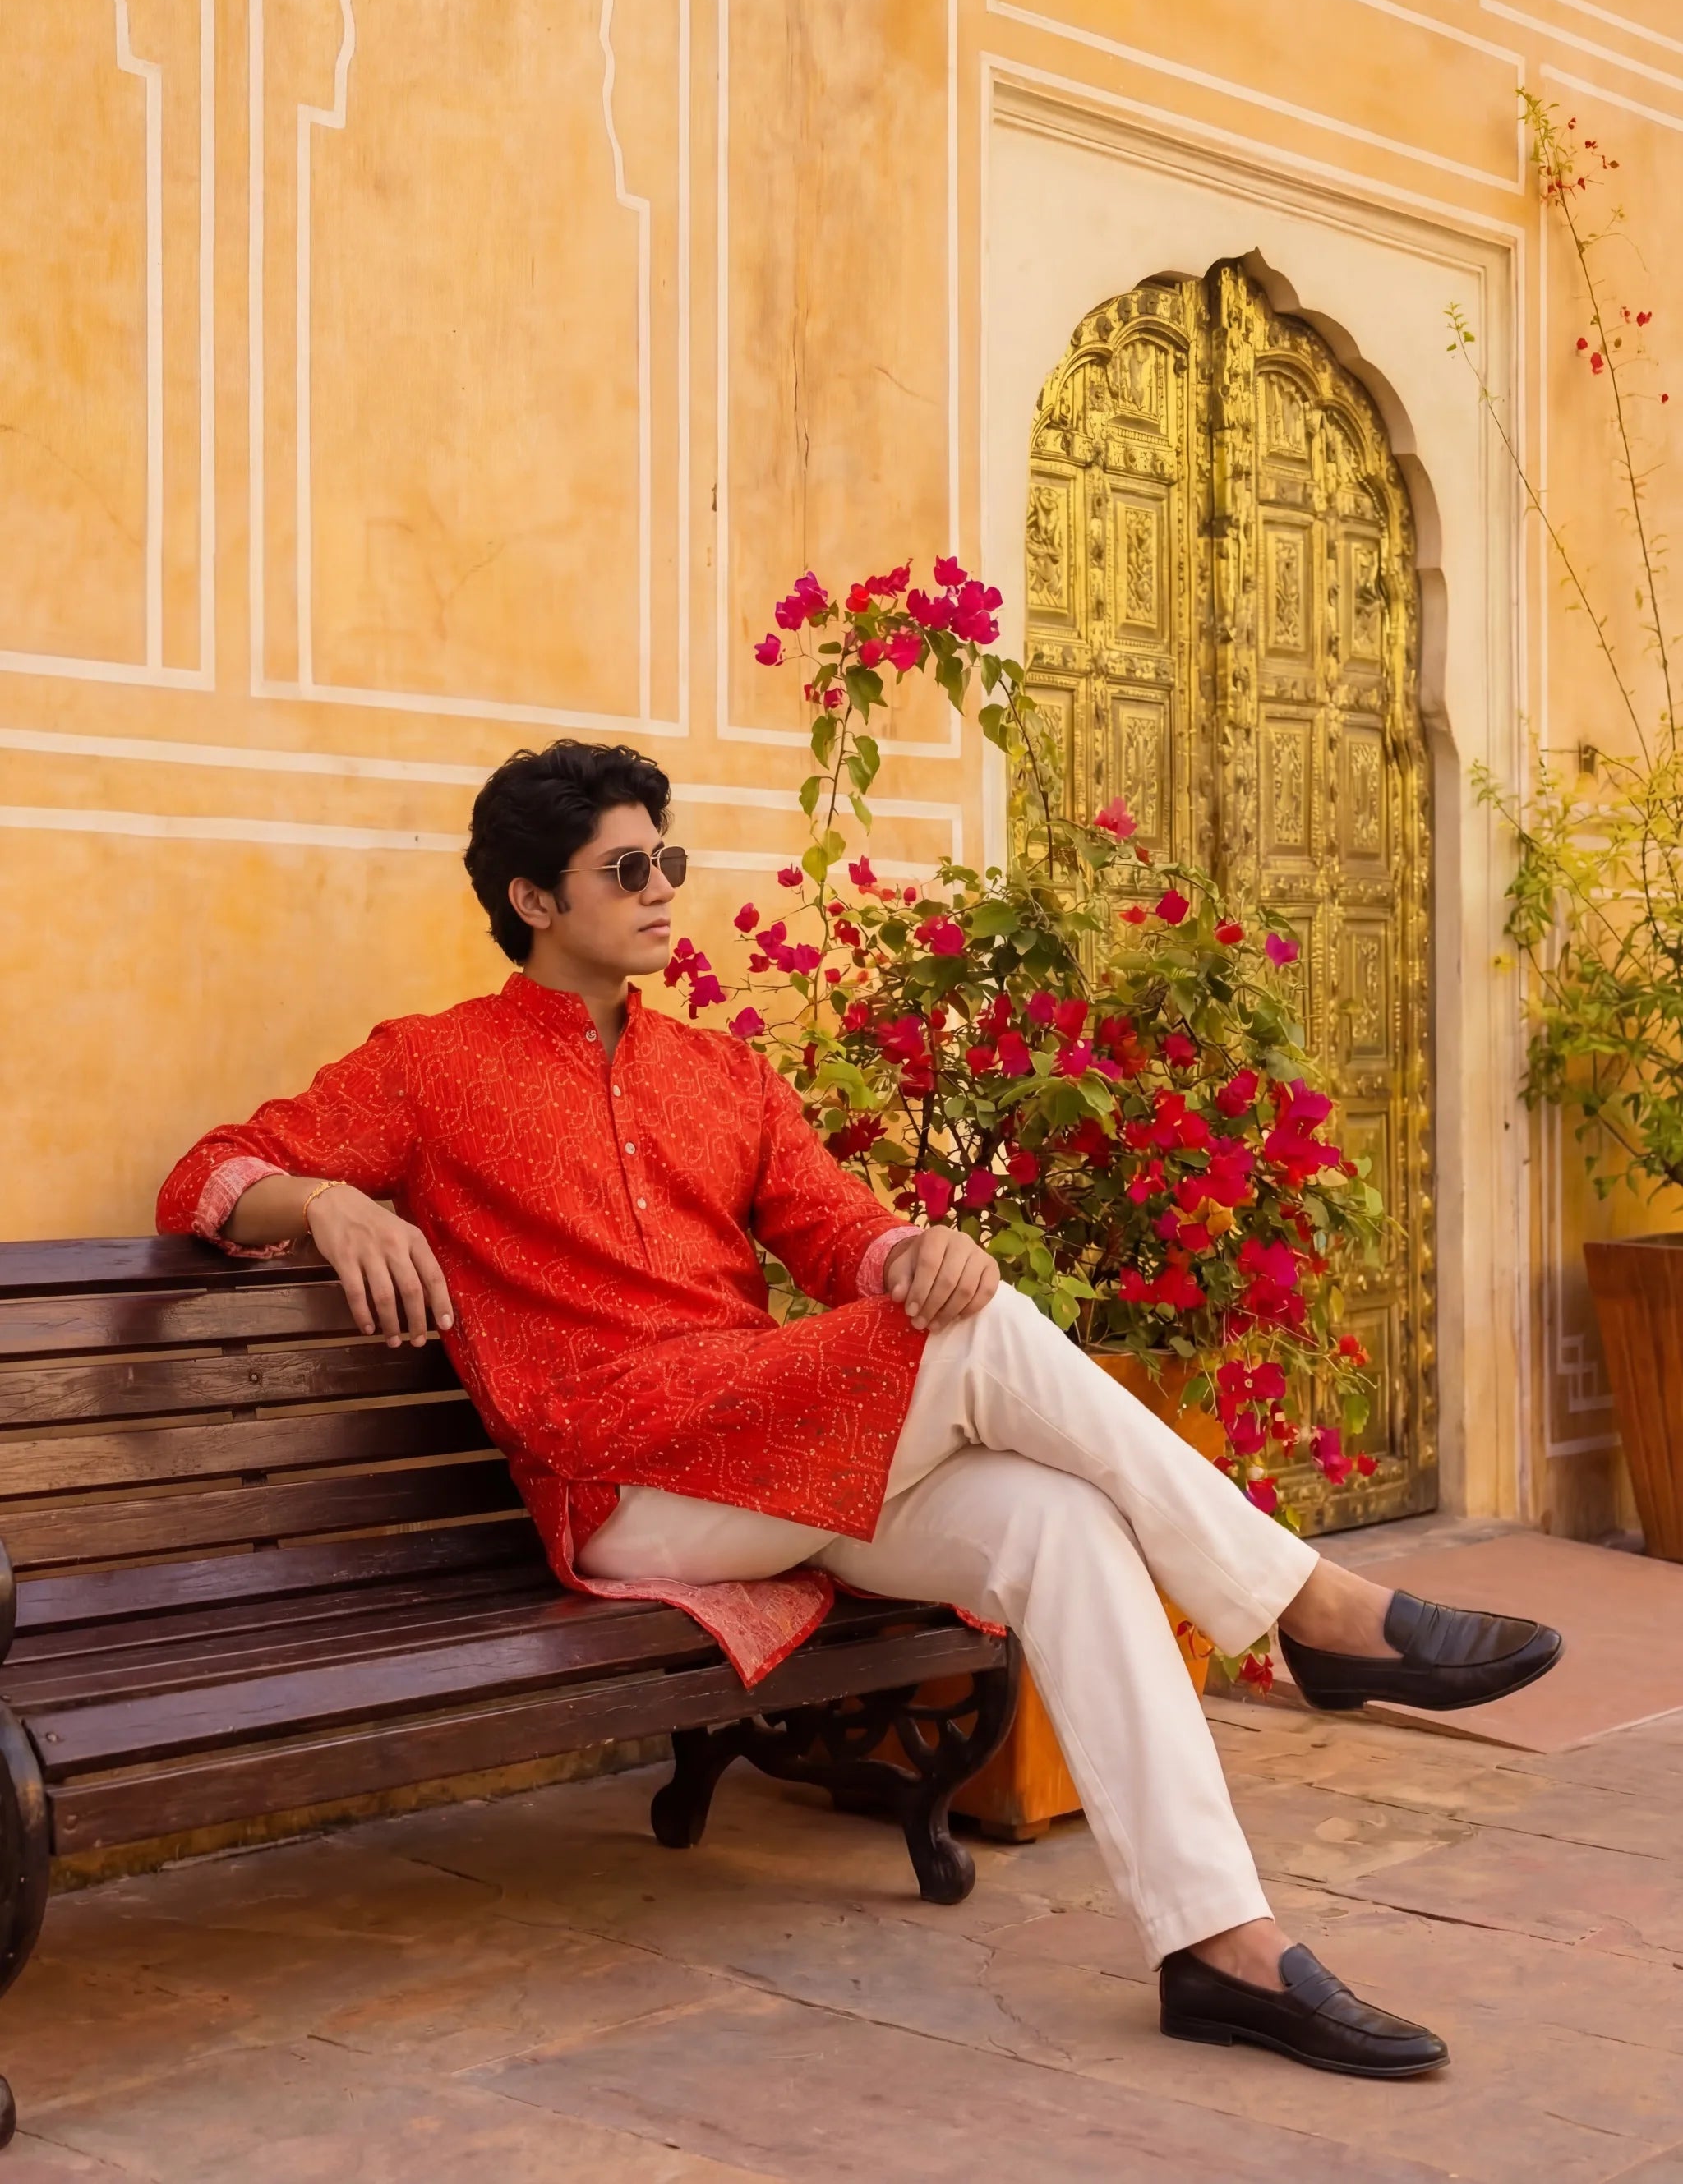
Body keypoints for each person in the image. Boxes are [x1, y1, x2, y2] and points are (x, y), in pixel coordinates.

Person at [158, 738, 1561, 2079]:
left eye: (669, 861)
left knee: (1059, 1520)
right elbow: (209, 1175)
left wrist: (915, 1251)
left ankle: (1219, 1947)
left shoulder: (719, 1075)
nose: (661, 890)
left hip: (781, 1455)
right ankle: (1313, 1609)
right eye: (625, 870)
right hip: (634, 1485)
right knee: (980, 1341)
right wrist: (329, 1201)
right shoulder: (430, 1067)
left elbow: (842, 1233)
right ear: (533, 900)